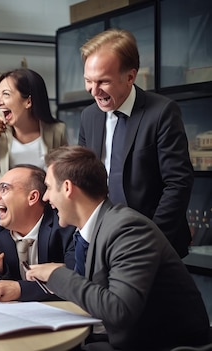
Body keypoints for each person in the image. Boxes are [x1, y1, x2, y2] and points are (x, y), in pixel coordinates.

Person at [26, 145, 209, 351]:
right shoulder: (91, 230)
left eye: (49, 187)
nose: (45, 198)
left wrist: (57, 274)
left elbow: (119, 310)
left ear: (67, 188)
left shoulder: (128, 229)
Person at [77, 28, 193, 258]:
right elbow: (82, 179)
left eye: (103, 81)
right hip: (101, 240)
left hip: (155, 241)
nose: (94, 91)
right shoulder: (89, 116)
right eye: (88, 81)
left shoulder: (162, 112)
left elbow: (178, 184)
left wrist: (151, 241)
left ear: (130, 77)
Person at [0, 164, 74, 302]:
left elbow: (74, 281)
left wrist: (20, 289)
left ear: (32, 197)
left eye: (4, 189)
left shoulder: (65, 226)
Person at [0, 68, 67, 219]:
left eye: (6, 94)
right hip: (2, 204)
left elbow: (64, 174)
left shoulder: (57, 130)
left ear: (28, 101)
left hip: (42, 205)